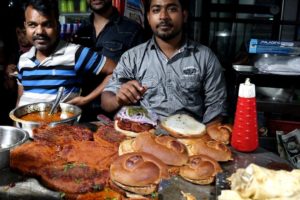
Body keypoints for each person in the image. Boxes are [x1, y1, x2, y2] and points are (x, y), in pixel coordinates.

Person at [101, 0, 228, 124]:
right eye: (156, 10)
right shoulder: (132, 57)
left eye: (172, 9)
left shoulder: (205, 57)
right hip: (146, 137)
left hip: (189, 138)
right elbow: (106, 102)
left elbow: (216, 108)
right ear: (149, 17)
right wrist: (119, 98)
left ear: (184, 15)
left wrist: (205, 139)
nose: (163, 16)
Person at [16, 0, 116, 108]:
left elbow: (116, 71)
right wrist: (15, 124)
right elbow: (20, 99)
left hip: (60, 124)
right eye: (32, 25)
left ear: (57, 26)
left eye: (47, 24)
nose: (39, 31)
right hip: (24, 124)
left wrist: (86, 99)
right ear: (25, 26)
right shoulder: (23, 60)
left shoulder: (75, 53)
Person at [72, 0, 145, 120]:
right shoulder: (80, 31)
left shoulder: (132, 30)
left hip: (117, 111)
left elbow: (142, 76)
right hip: (82, 110)